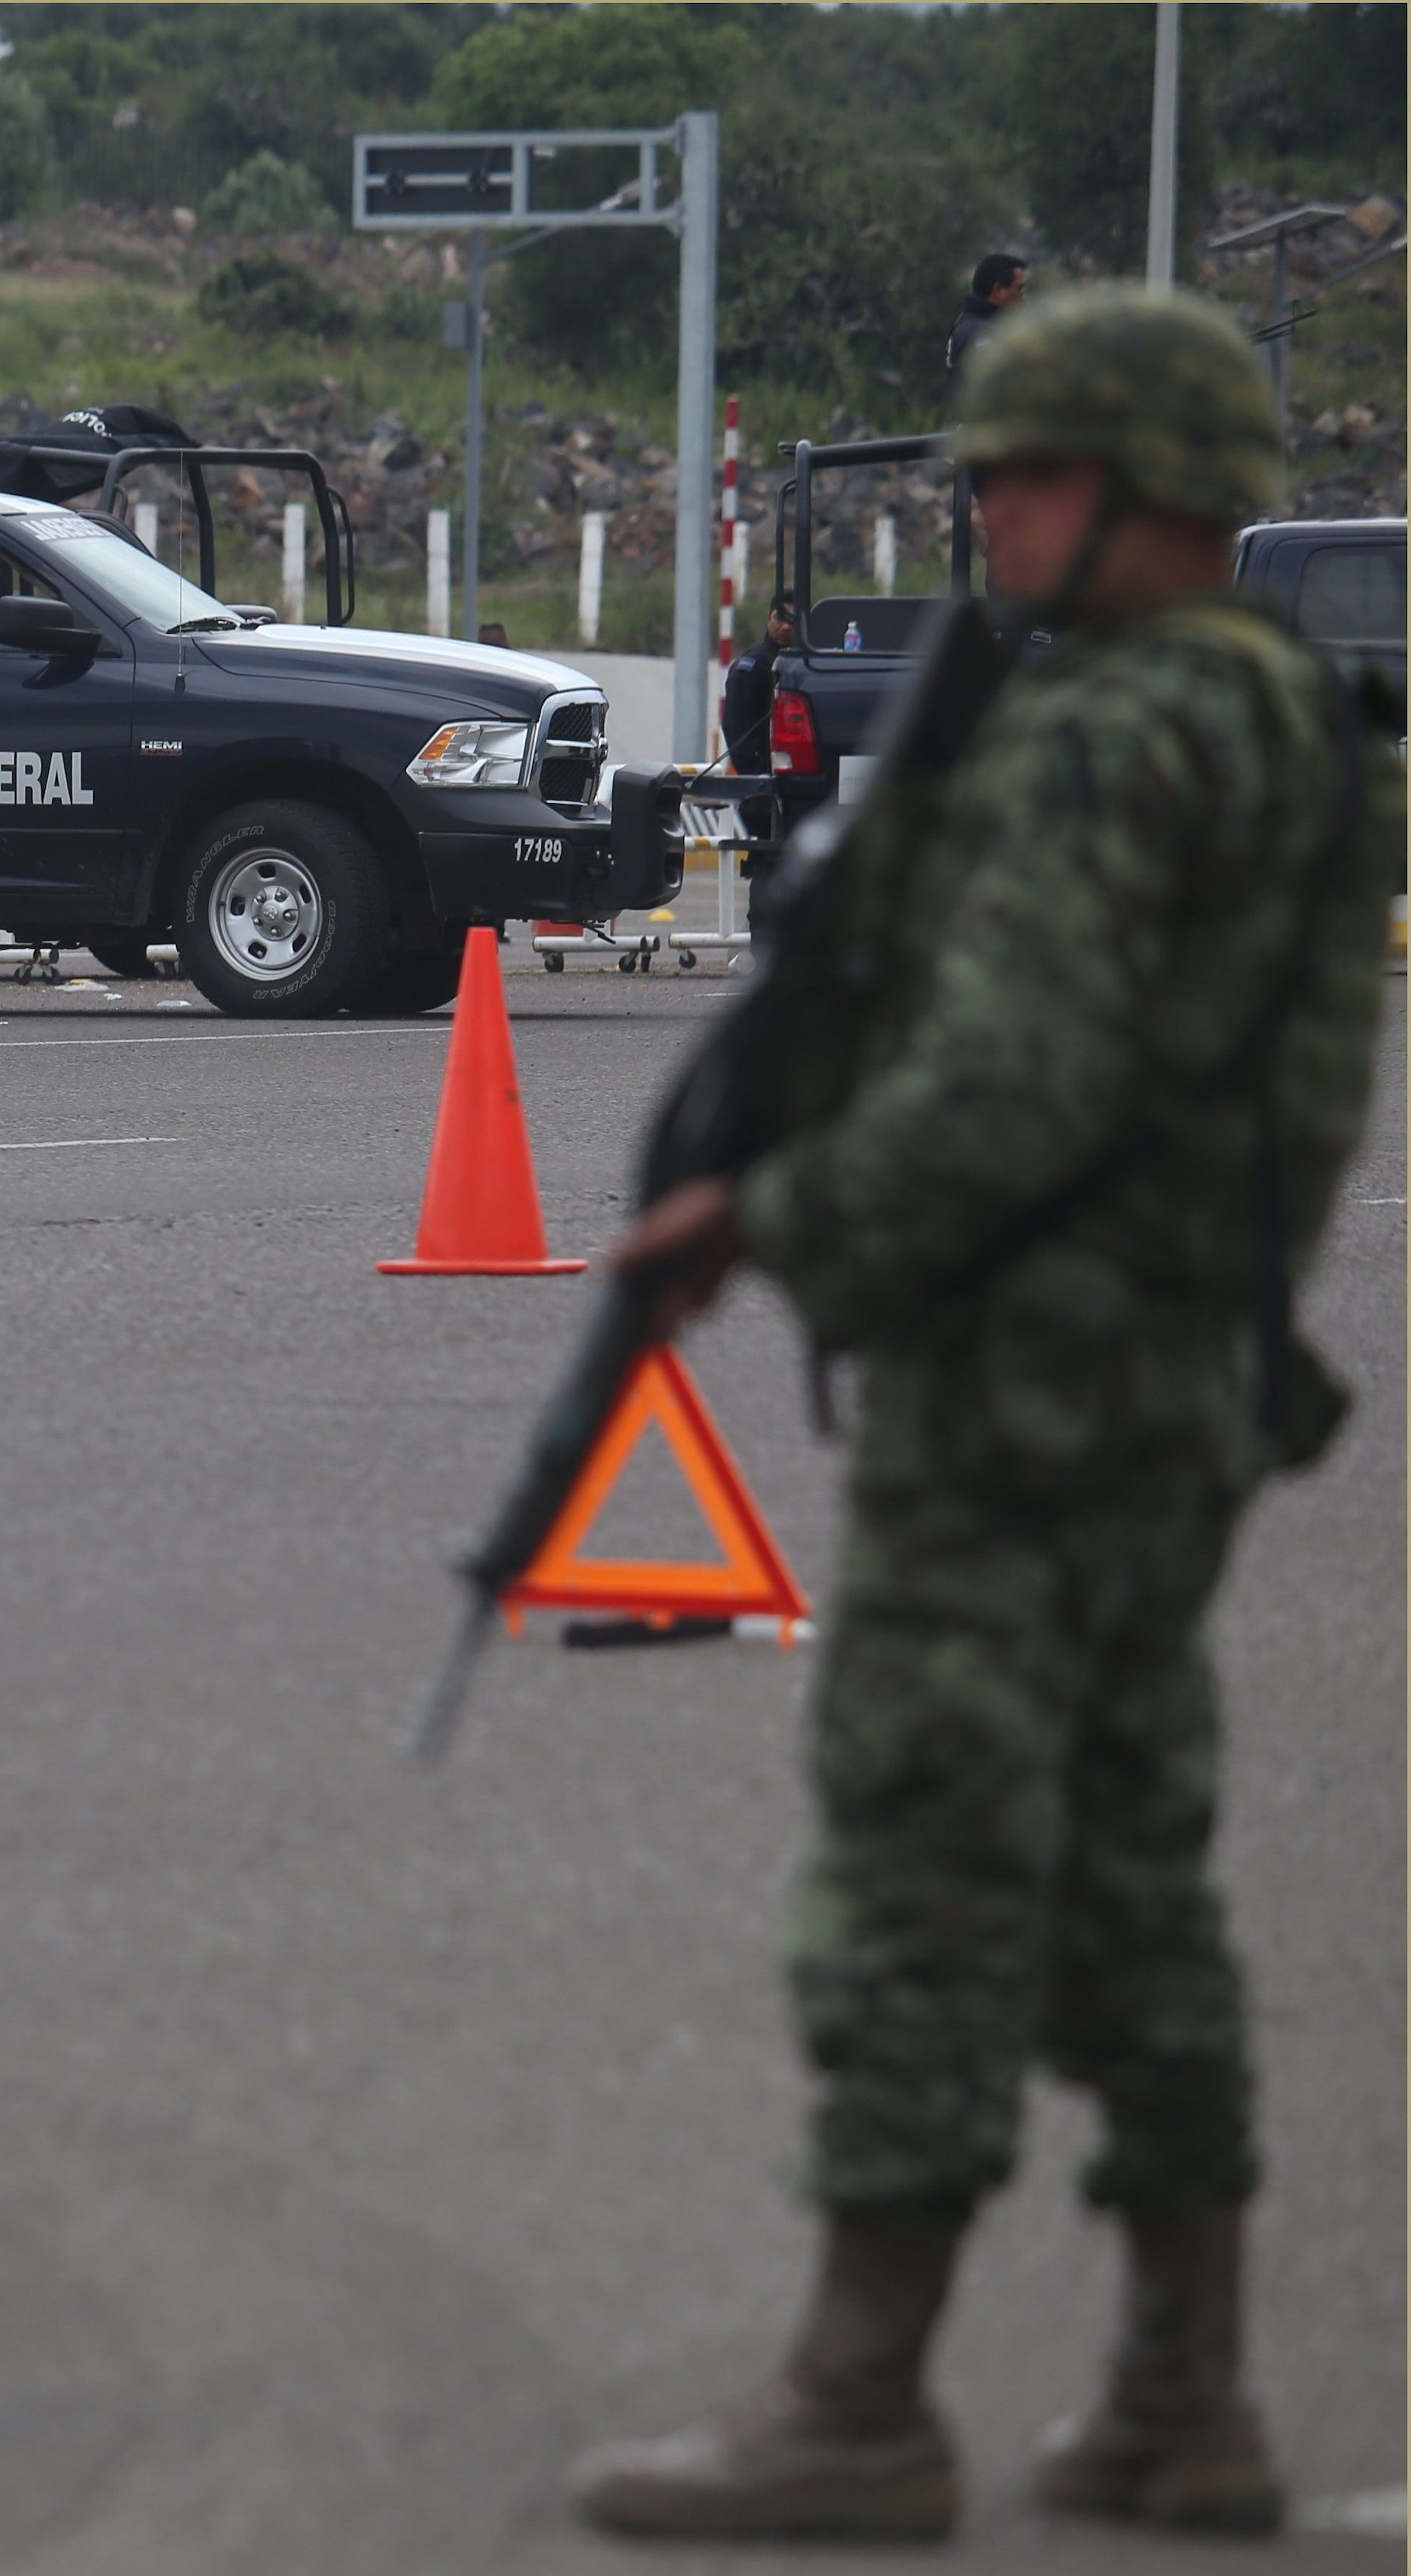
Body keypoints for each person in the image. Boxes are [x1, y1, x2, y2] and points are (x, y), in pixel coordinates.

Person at [569, 288, 1395, 2546]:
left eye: (1025, 470)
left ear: (1144, 490)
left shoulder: (1123, 732)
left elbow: (1010, 1081)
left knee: (923, 1853)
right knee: (1127, 1865)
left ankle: (856, 2393)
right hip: (1162, 1383)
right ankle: (1176, 2384)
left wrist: (769, 1216)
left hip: (1026, 1389)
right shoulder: (1268, 719)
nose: (983, 505)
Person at [721, 593, 801, 774]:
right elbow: (735, 726)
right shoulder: (752, 667)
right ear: (768, 618)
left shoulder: (810, 666)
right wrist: (756, 774)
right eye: (780, 618)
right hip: (762, 781)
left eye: (793, 620)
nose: (787, 627)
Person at [945, 251, 1029, 403]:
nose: (1023, 298)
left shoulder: (969, 324)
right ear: (998, 290)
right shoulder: (981, 334)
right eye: (1019, 289)